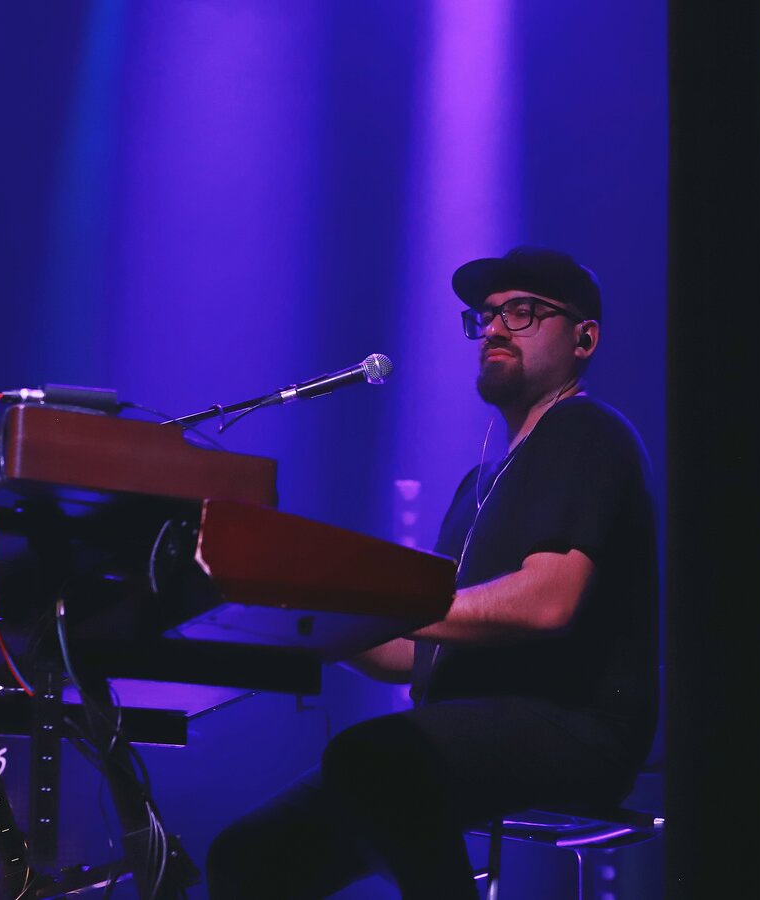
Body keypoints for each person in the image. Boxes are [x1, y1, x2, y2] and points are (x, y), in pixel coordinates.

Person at [206, 246, 659, 898]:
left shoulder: (589, 433)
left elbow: (549, 601)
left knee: (374, 759)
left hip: (573, 727)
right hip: (460, 733)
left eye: (523, 312)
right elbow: (408, 653)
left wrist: (392, 606)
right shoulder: (478, 484)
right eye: (486, 316)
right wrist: (301, 615)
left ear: (583, 338)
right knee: (246, 856)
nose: (494, 328)